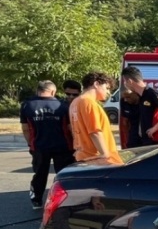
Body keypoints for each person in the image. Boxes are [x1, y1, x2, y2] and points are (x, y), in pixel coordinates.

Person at [20, 80, 76, 209]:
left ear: (38, 90)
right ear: (53, 91)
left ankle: (37, 200)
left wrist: (30, 144)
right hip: (62, 146)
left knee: (40, 173)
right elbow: (70, 128)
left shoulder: (26, 105)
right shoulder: (62, 106)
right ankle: (65, 199)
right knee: (62, 174)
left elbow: (25, 128)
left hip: (39, 146)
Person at [69, 72, 123, 165]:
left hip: (84, 157)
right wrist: (106, 155)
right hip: (97, 159)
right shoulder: (88, 102)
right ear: (96, 84)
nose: (108, 92)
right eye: (107, 88)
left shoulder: (75, 102)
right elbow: (95, 132)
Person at [120, 66, 158, 146]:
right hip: (146, 141)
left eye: (125, 81)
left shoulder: (151, 92)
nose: (125, 84)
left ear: (130, 81)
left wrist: (155, 128)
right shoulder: (140, 95)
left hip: (157, 143)